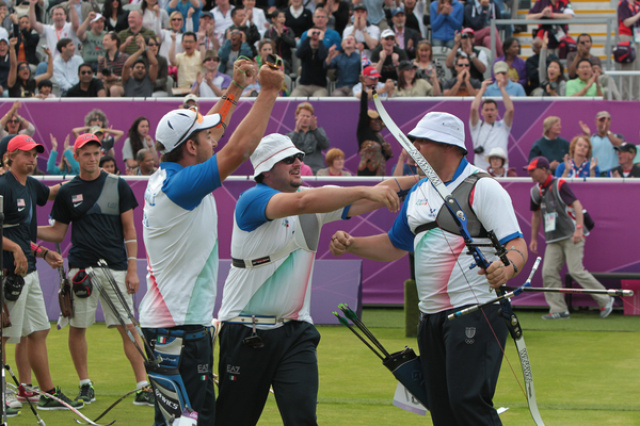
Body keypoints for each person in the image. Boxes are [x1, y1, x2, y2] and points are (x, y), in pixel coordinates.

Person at [329, 111, 527, 425]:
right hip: (431, 318)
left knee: (468, 402)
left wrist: (505, 268)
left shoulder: (482, 187)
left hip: (474, 310)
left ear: (447, 145)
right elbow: (394, 245)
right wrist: (353, 243)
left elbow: (517, 247)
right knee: (442, 408)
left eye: (421, 141)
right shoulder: (419, 191)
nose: (413, 148)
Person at [215, 133, 405, 425]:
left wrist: (429, 181)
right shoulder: (252, 199)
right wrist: (368, 191)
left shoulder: (312, 200)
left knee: (303, 418)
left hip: (296, 333)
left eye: (299, 157)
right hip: (246, 329)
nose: (297, 163)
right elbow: (307, 202)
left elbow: (382, 192)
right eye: (287, 159)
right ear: (265, 169)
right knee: (234, 419)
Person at [139, 58, 284, 426]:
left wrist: (235, 89)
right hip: (179, 327)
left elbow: (217, 130)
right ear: (190, 148)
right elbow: (237, 149)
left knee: (181, 420)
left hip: (174, 324)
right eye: (205, 138)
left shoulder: (170, 176)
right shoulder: (183, 186)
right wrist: (267, 91)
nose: (213, 138)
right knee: (190, 421)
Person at [37, 133, 155, 406]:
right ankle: (85, 385)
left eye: (95, 153)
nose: (92, 158)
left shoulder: (118, 185)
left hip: (115, 268)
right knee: (78, 328)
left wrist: (132, 269)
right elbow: (57, 232)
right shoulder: (67, 191)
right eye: (86, 153)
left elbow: (130, 229)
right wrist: (26, 229)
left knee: (128, 327)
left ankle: (142, 387)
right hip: (81, 271)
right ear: (75, 156)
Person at [0, 134, 83, 412]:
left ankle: (46, 393)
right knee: (3, 335)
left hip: (30, 273)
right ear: (10, 157)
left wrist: (86, 175)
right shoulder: (3, 187)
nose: (32, 159)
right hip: (8, 275)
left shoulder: (31, 186)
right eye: (26, 154)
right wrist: (14, 248)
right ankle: (2, 396)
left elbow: (53, 191)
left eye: (35, 154)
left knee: (38, 330)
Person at [528, 156, 614, 320]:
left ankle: (606, 298)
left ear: (544, 170)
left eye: (533, 170)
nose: (530, 173)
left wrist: (579, 229)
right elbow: (536, 215)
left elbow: (577, 205)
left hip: (571, 234)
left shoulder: (559, 184)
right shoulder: (534, 191)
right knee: (548, 272)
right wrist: (533, 239)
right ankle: (558, 309)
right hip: (553, 238)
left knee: (576, 271)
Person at [469, 77, 513, 170]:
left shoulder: (503, 126)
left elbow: (510, 110)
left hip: (500, 172)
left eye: (492, 110)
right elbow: (473, 109)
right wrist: (482, 90)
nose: (489, 112)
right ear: (482, 112)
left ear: (497, 112)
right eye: (486, 110)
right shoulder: (476, 126)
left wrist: (502, 88)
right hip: (480, 171)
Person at [286, 102, 330, 174]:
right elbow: (288, 149)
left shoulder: (318, 131)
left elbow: (325, 145)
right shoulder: (290, 135)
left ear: (312, 118)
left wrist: (315, 129)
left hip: (316, 170)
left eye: (308, 116)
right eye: (302, 116)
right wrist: (296, 131)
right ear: (297, 116)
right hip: (297, 170)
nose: (305, 118)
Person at [356, 89, 393, 176]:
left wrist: (388, 152)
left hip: (379, 173)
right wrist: (364, 86)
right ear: (368, 121)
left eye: (379, 121)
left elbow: (382, 157)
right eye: (374, 120)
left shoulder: (379, 137)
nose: (378, 123)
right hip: (365, 173)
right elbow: (363, 111)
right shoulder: (363, 132)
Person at [579, 110, 623, 176]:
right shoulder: (591, 139)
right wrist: (587, 135)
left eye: (607, 120)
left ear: (610, 122)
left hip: (612, 174)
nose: (604, 123)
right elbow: (585, 155)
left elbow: (619, 144)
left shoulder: (617, 136)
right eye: (601, 120)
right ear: (596, 122)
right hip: (596, 174)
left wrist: (607, 132)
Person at [290, 27, 328, 97]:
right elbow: (298, 54)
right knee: (293, 100)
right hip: (303, 86)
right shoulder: (306, 49)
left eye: (318, 33)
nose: (316, 35)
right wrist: (307, 37)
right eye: (313, 33)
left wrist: (320, 41)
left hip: (319, 87)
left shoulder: (324, 49)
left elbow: (322, 57)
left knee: (319, 102)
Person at [617, 0, 640, 100]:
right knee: (627, 68)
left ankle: (636, 96)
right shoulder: (623, 3)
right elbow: (626, 22)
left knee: (637, 68)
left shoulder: (637, 4)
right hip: (627, 37)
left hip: (637, 37)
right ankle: (626, 97)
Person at [97, 32, 129, 97]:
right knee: (101, 89)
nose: (103, 43)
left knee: (114, 89)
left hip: (121, 85)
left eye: (106, 40)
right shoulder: (102, 60)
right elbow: (98, 77)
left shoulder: (125, 58)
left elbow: (130, 76)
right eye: (103, 40)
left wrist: (117, 78)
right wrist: (105, 78)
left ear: (114, 41)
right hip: (107, 84)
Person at [265, 10, 295, 74]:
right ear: (273, 19)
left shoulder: (288, 30)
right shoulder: (269, 32)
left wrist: (283, 35)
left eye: (283, 17)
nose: (282, 19)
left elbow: (293, 44)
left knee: (283, 63)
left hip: (286, 60)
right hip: (273, 60)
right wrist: (278, 37)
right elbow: (271, 46)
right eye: (280, 17)